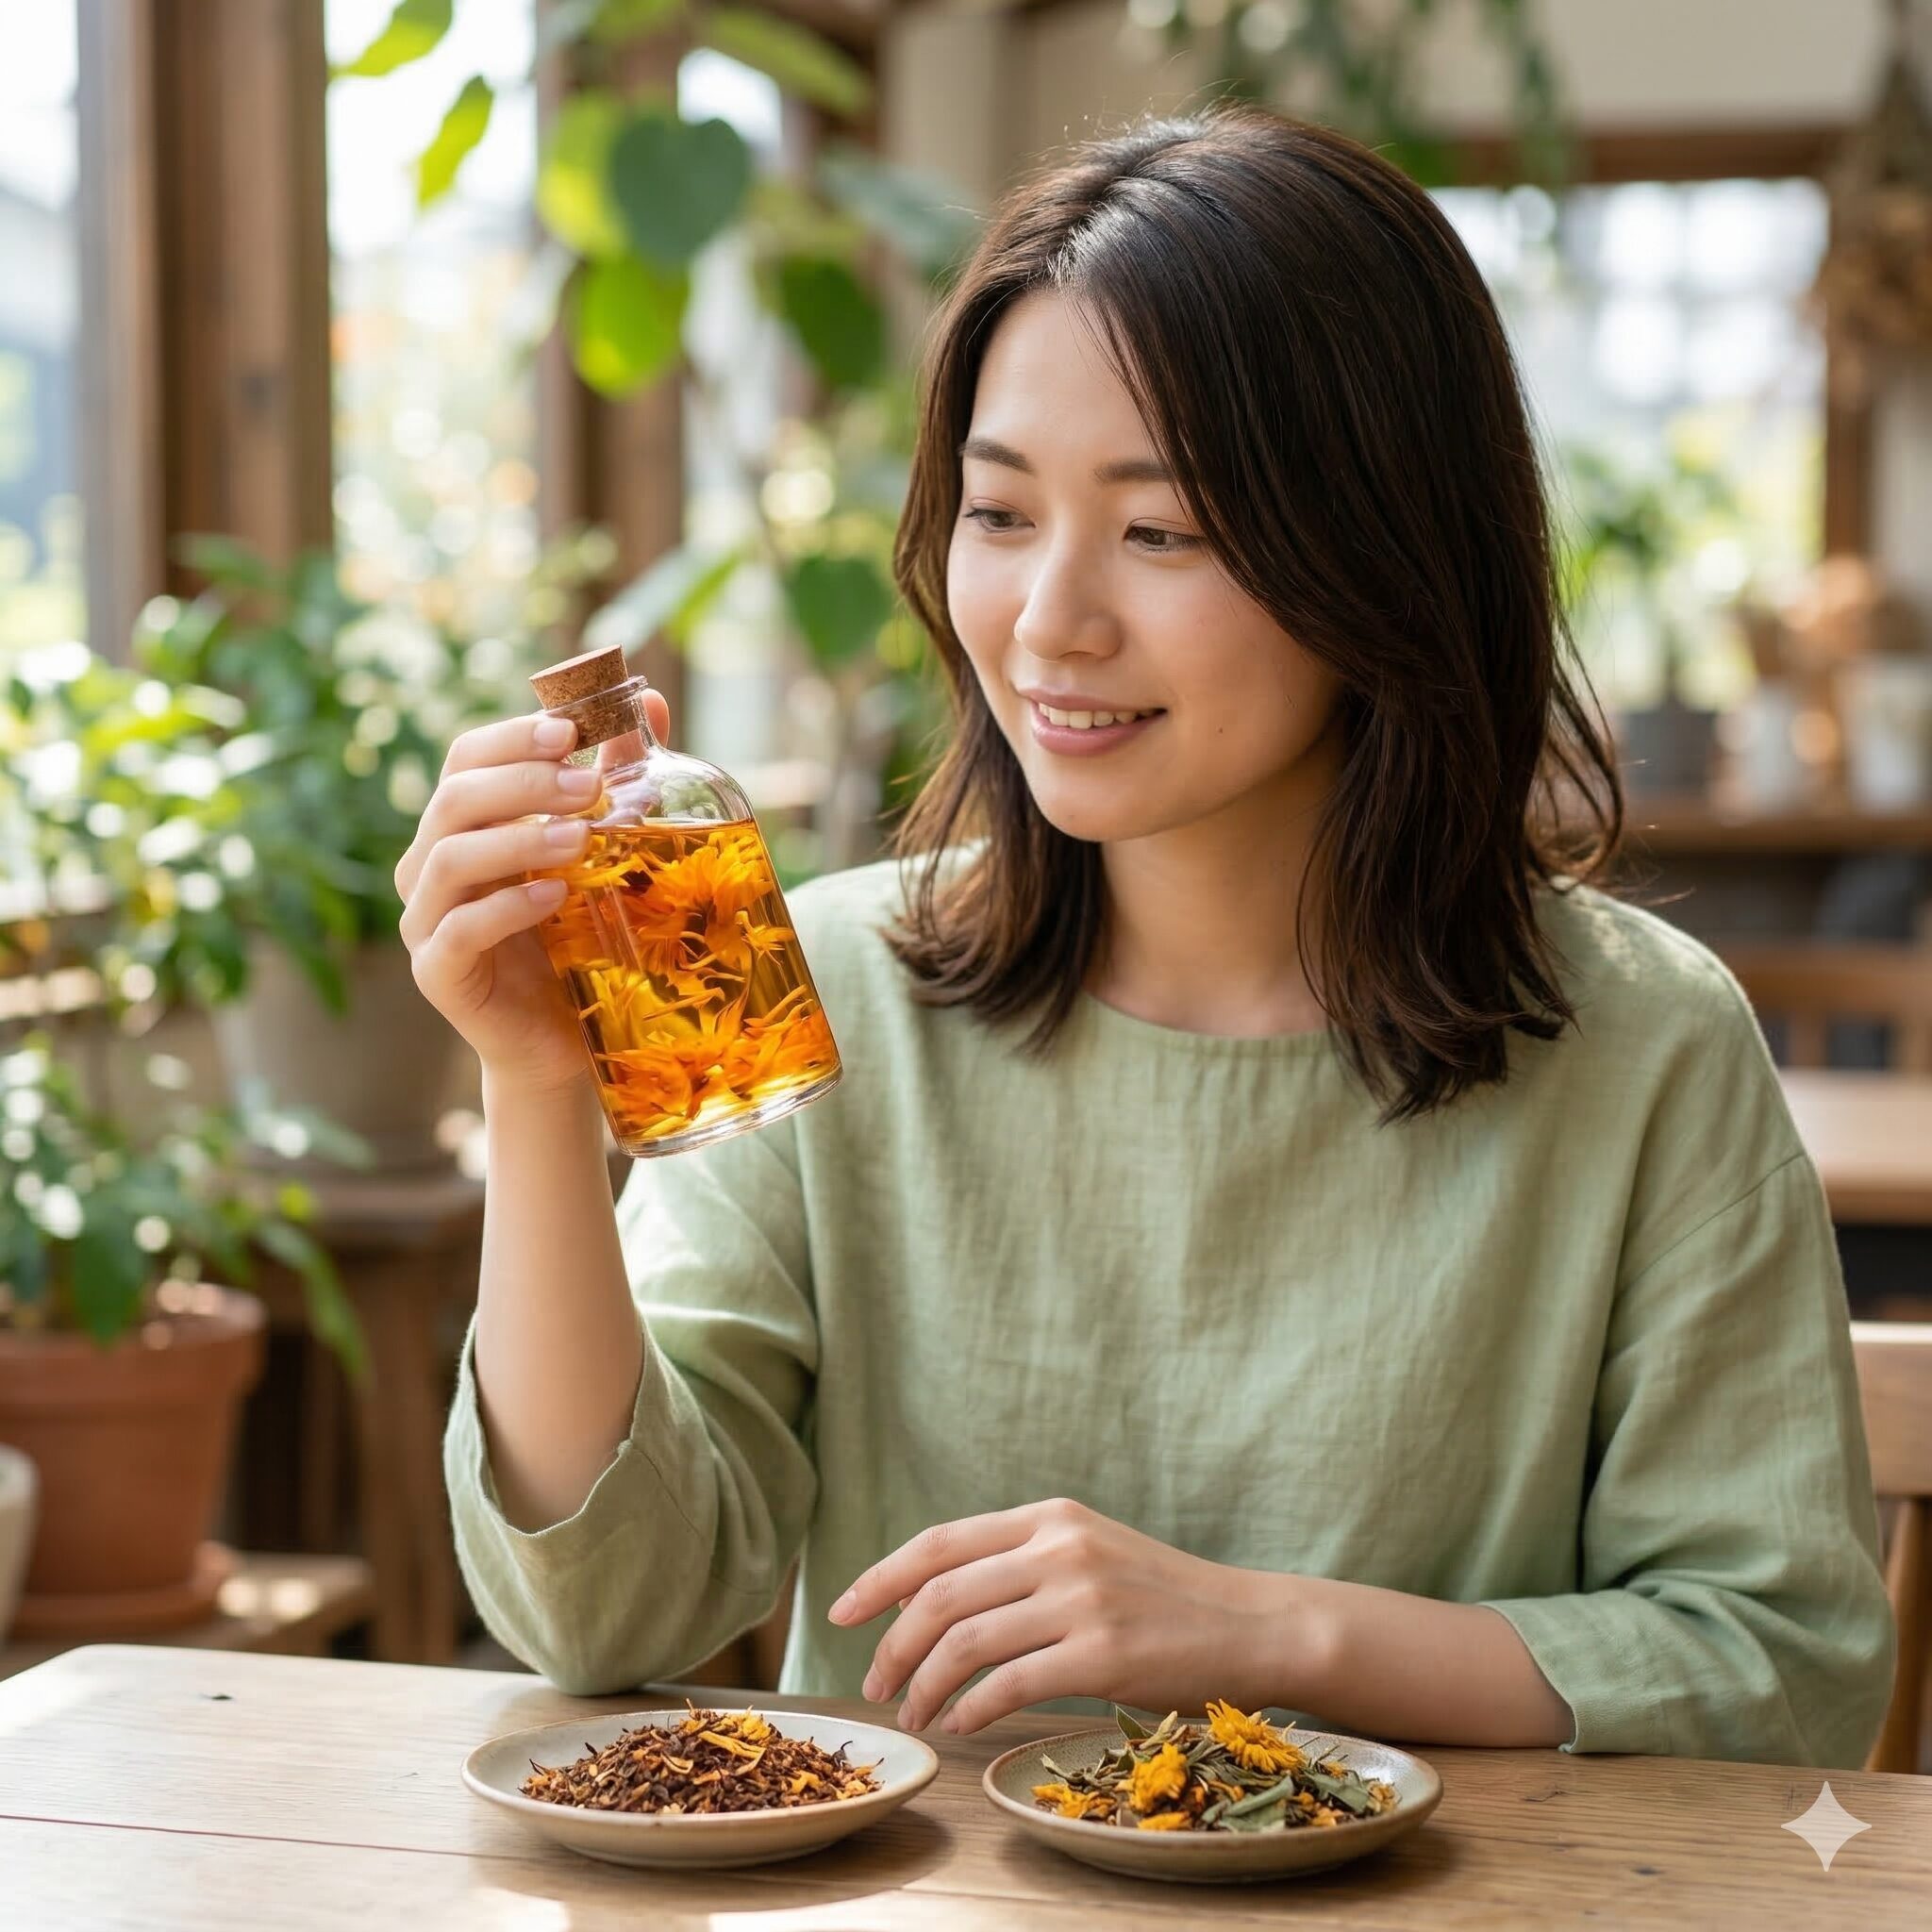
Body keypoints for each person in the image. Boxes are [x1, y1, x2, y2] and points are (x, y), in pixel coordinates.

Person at [398, 105, 1894, 1766]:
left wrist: (1268, 1637)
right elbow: (607, 1614)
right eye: (1000, 514)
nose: (1051, 623)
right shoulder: (832, 993)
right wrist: (537, 1087)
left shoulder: (1645, 1042)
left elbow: (1786, 1674)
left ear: (1387, 550)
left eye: (1161, 529)